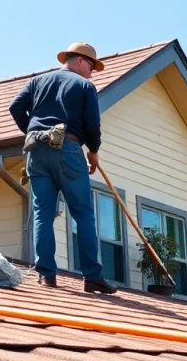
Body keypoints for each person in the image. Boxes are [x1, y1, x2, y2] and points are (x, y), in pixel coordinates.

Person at [8, 42, 117, 294]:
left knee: (42, 213)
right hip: (67, 148)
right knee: (83, 212)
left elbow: (15, 107)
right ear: (80, 60)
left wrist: (34, 132)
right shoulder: (84, 86)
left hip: (36, 150)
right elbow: (93, 124)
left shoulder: (37, 81)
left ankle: (46, 274)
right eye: (91, 67)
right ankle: (92, 277)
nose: (91, 73)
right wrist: (93, 151)